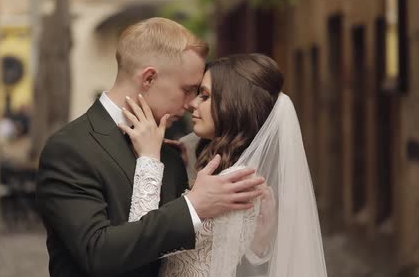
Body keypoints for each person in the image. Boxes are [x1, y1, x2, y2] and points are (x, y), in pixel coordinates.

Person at [36, 18, 266, 277]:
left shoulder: (172, 153)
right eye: (188, 90)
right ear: (148, 78)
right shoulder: (71, 148)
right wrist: (193, 206)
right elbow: (96, 252)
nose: (192, 103)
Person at [121, 54, 327, 276]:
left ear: (234, 103)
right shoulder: (228, 169)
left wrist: (149, 158)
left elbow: (140, 241)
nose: (192, 103)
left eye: (205, 95)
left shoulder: (236, 182)